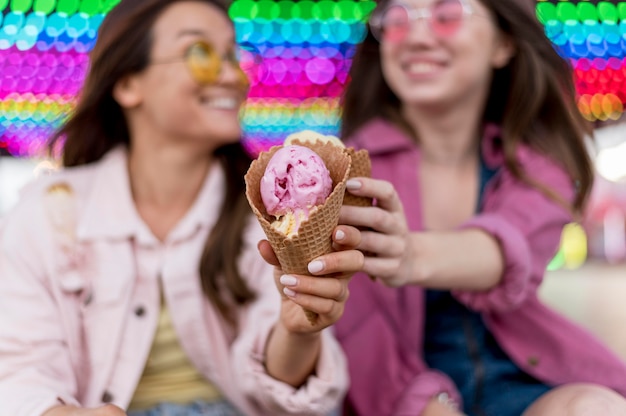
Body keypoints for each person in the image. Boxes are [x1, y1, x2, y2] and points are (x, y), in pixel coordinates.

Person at [0, 1, 364, 415]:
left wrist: (297, 332)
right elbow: (20, 368)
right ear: (127, 85)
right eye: (201, 53)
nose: (231, 75)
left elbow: (282, 399)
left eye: (232, 55)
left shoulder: (267, 214)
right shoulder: (49, 213)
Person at [335, 0, 626, 415]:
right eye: (397, 19)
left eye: (447, 14)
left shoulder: (536, 161)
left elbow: (507, 251)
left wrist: (409, 255)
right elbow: (358, 334)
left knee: (595, 407)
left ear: (503, 43)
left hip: (526, 382)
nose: (417, 36)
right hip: (402, 395)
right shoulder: (351, 167)